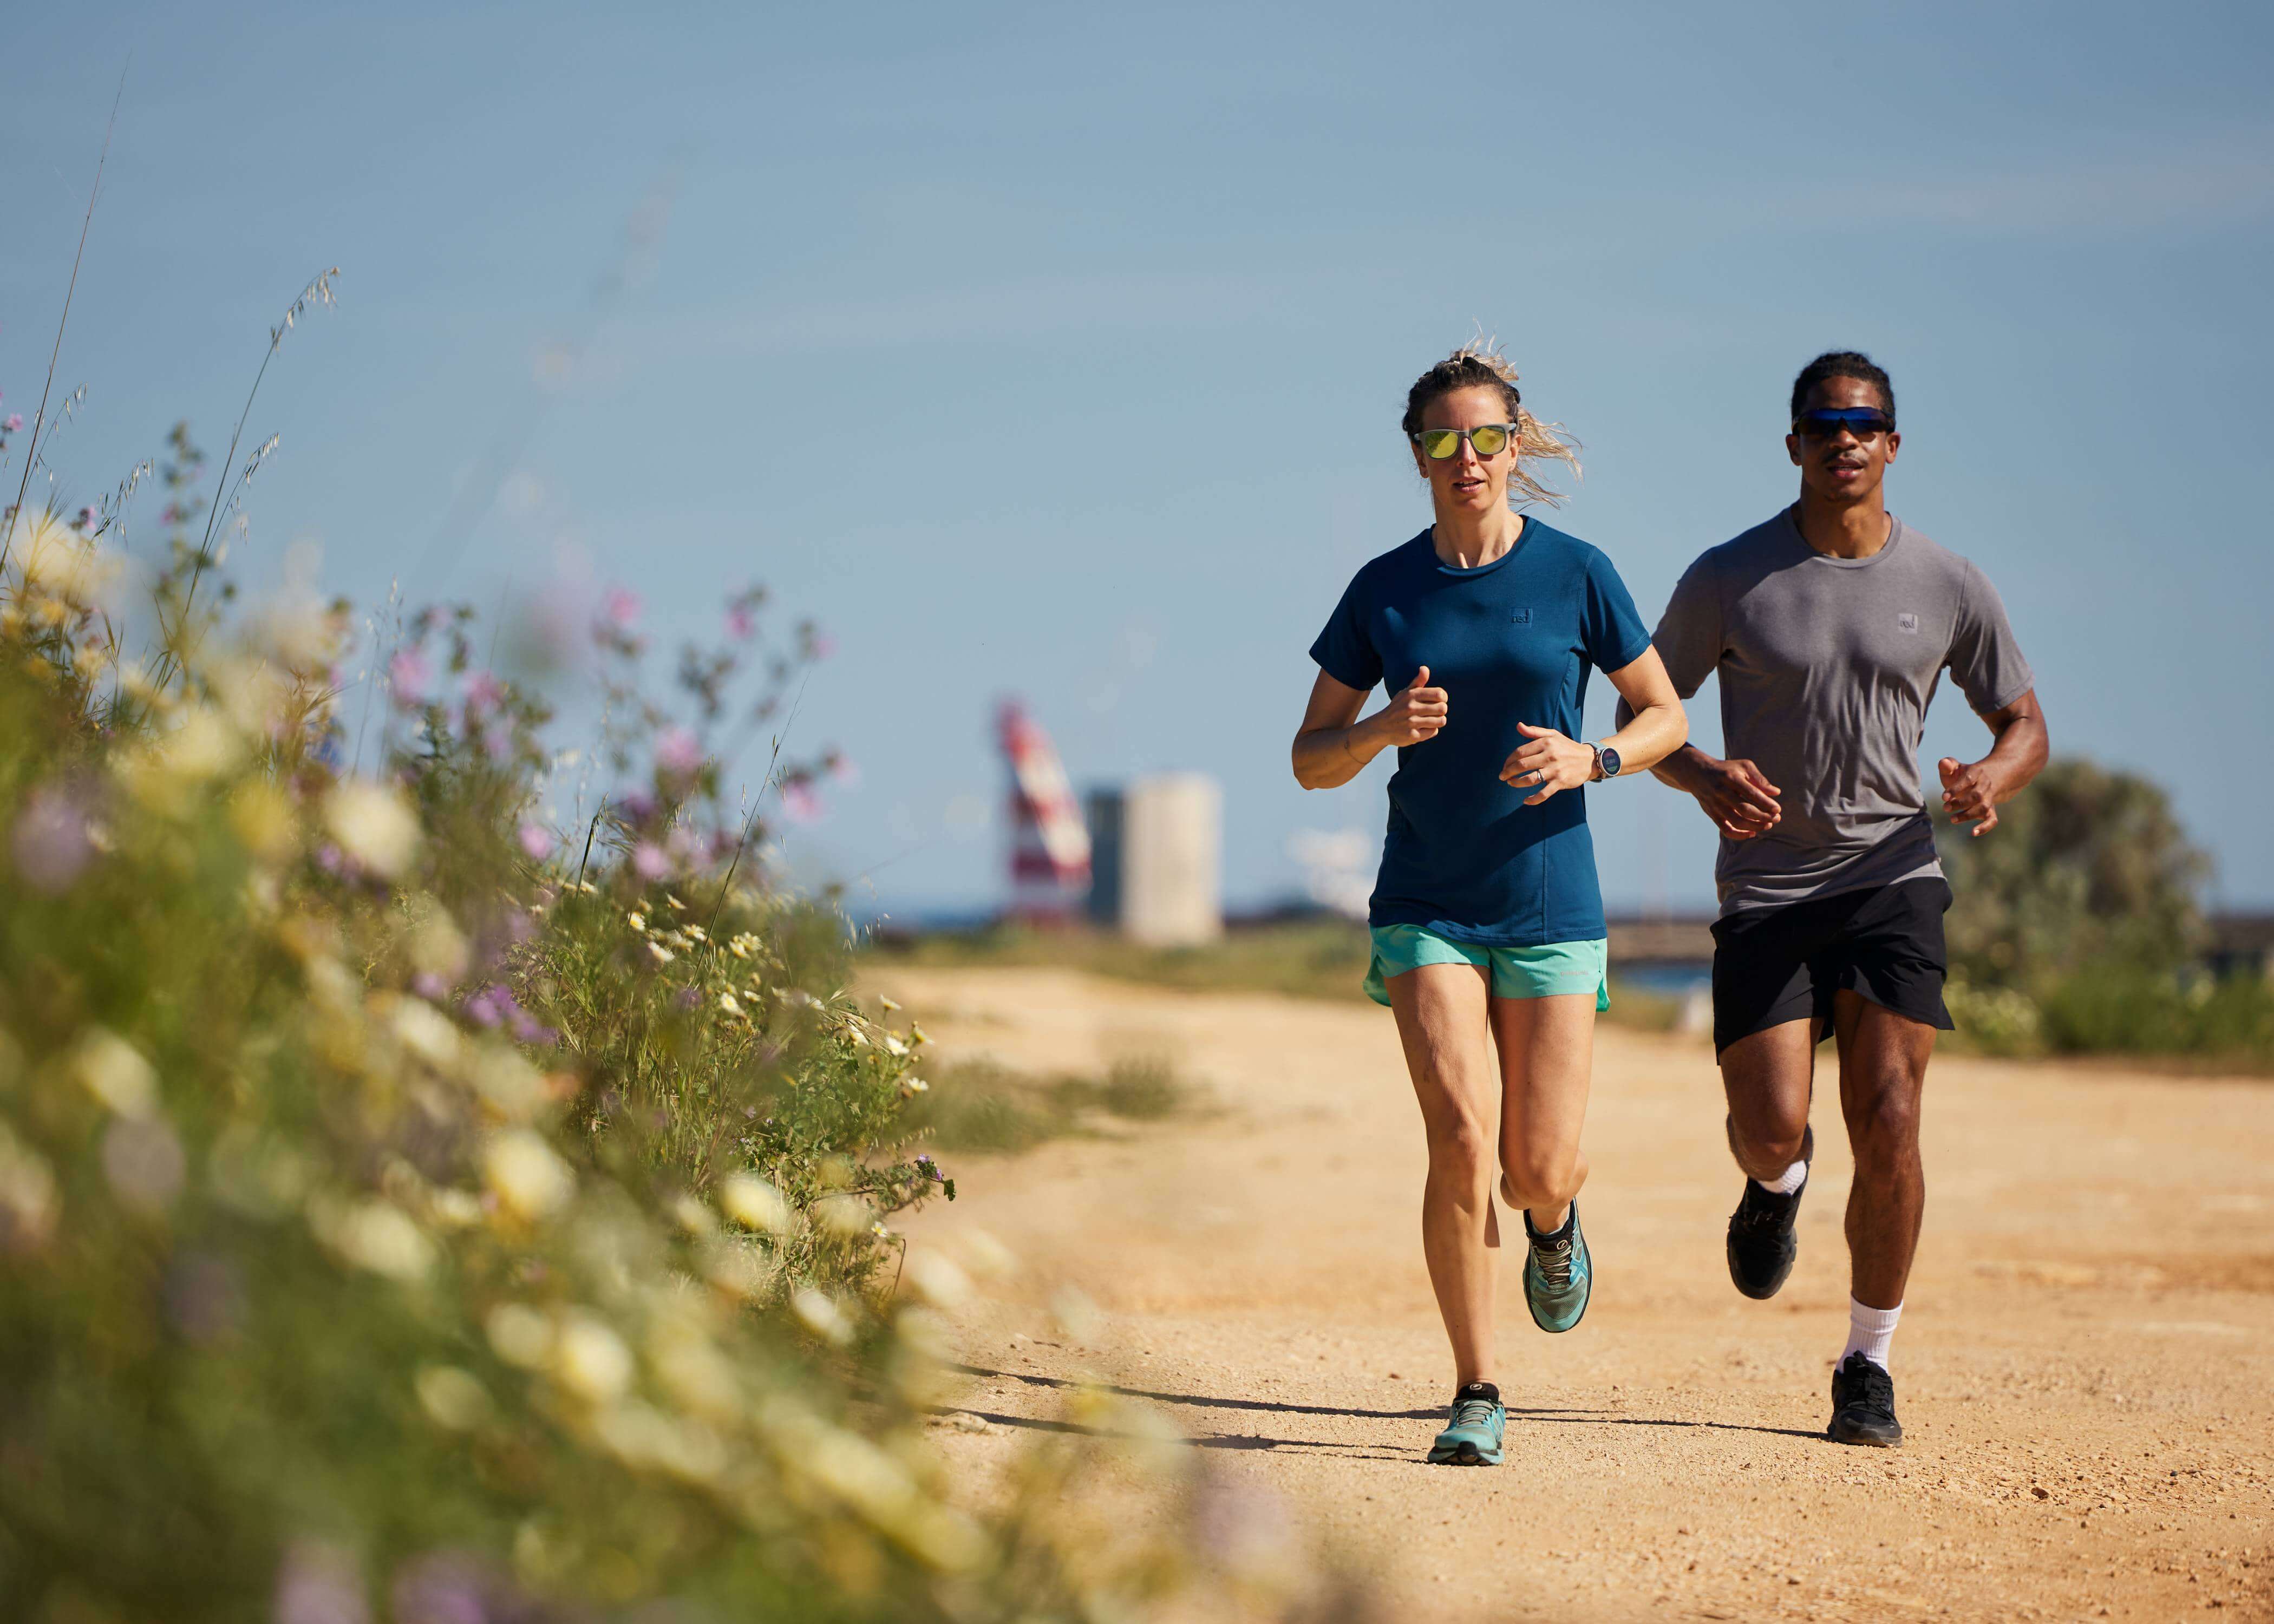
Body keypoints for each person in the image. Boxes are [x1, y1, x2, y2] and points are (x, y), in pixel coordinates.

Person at [1626, 350, 2048, 1447]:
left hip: (1892, 877)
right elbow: (1652, 715)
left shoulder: (1949, 582)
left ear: (1893, 445)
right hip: (1767, 889)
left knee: (1895, 1116)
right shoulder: (1731, 577)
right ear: (1795, 444)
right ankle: (1779, 1187)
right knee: (1771, 1129)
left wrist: (1987, 781)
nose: (1844, 440)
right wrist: (1706, 775)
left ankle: (1868, 1362)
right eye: (1825, 424)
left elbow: (2025, 724)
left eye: (1864, 424)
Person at [1292, 346, 1687, 1466]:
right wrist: (1378, 732)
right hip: (1427, 901)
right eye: (1441, 441)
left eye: (1484, 438)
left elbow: (1665, 716)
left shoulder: (1578, 574)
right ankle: (1476, 1386)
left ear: (1515, 448)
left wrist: (1592, 757)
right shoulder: (1385, 590)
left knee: (1534, 1167)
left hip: (1552, 900)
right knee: (1461, 1139)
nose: (1464, 459)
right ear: (1416, 455)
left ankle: (1554, 1228)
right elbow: (1308, 759)